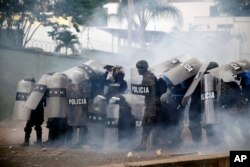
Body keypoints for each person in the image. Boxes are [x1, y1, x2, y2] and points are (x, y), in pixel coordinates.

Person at [189, 62, 219, 146]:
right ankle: (211, 144)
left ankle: (199, 145)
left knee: (200, 124)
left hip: (198, 105)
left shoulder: (196, 78)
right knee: (209, 124)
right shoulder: (214, 79)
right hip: (204, 106)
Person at [134, 60, 161, 151]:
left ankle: (144, 145)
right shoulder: (147, 77)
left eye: (139, 68)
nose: (138, 70)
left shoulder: (149, 78)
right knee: (147, 123)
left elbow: (150, 91)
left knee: (147, 123)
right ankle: (144, 144)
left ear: (144, 68)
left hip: (153, 105)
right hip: (151, 104)